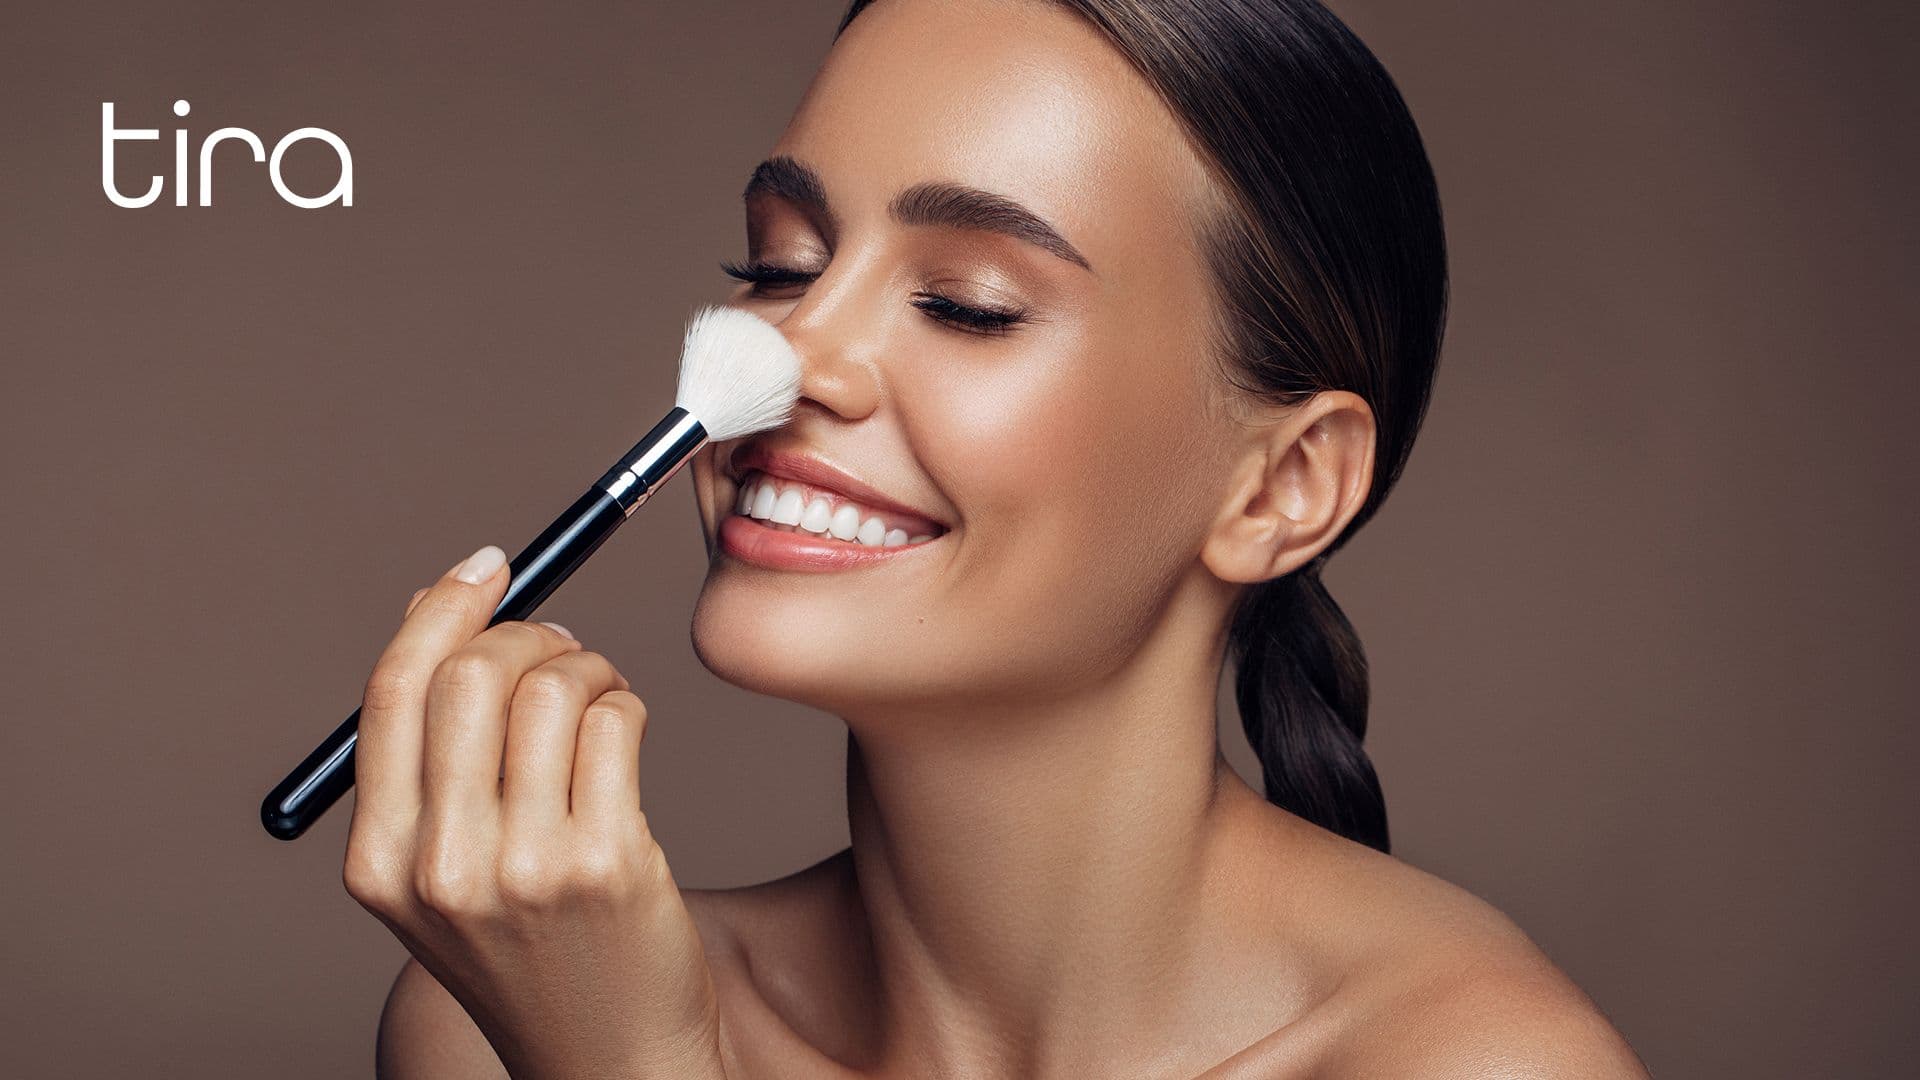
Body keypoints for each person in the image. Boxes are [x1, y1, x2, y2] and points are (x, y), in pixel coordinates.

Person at [349, 1, 1652, 1075]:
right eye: (780, 266)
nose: (788, 351)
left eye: (966, 306)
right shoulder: (504, 1012)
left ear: (1283, 486)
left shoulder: (1472, 1063)